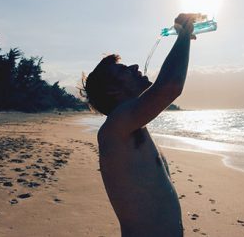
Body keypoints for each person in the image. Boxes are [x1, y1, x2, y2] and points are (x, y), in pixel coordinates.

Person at [83, 13, 199, 236]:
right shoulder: (115, 128)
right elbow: (169, 87)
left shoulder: (132, 127)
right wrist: (183, 35)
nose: (135, 66)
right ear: (113, 90)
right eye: (123, 69)